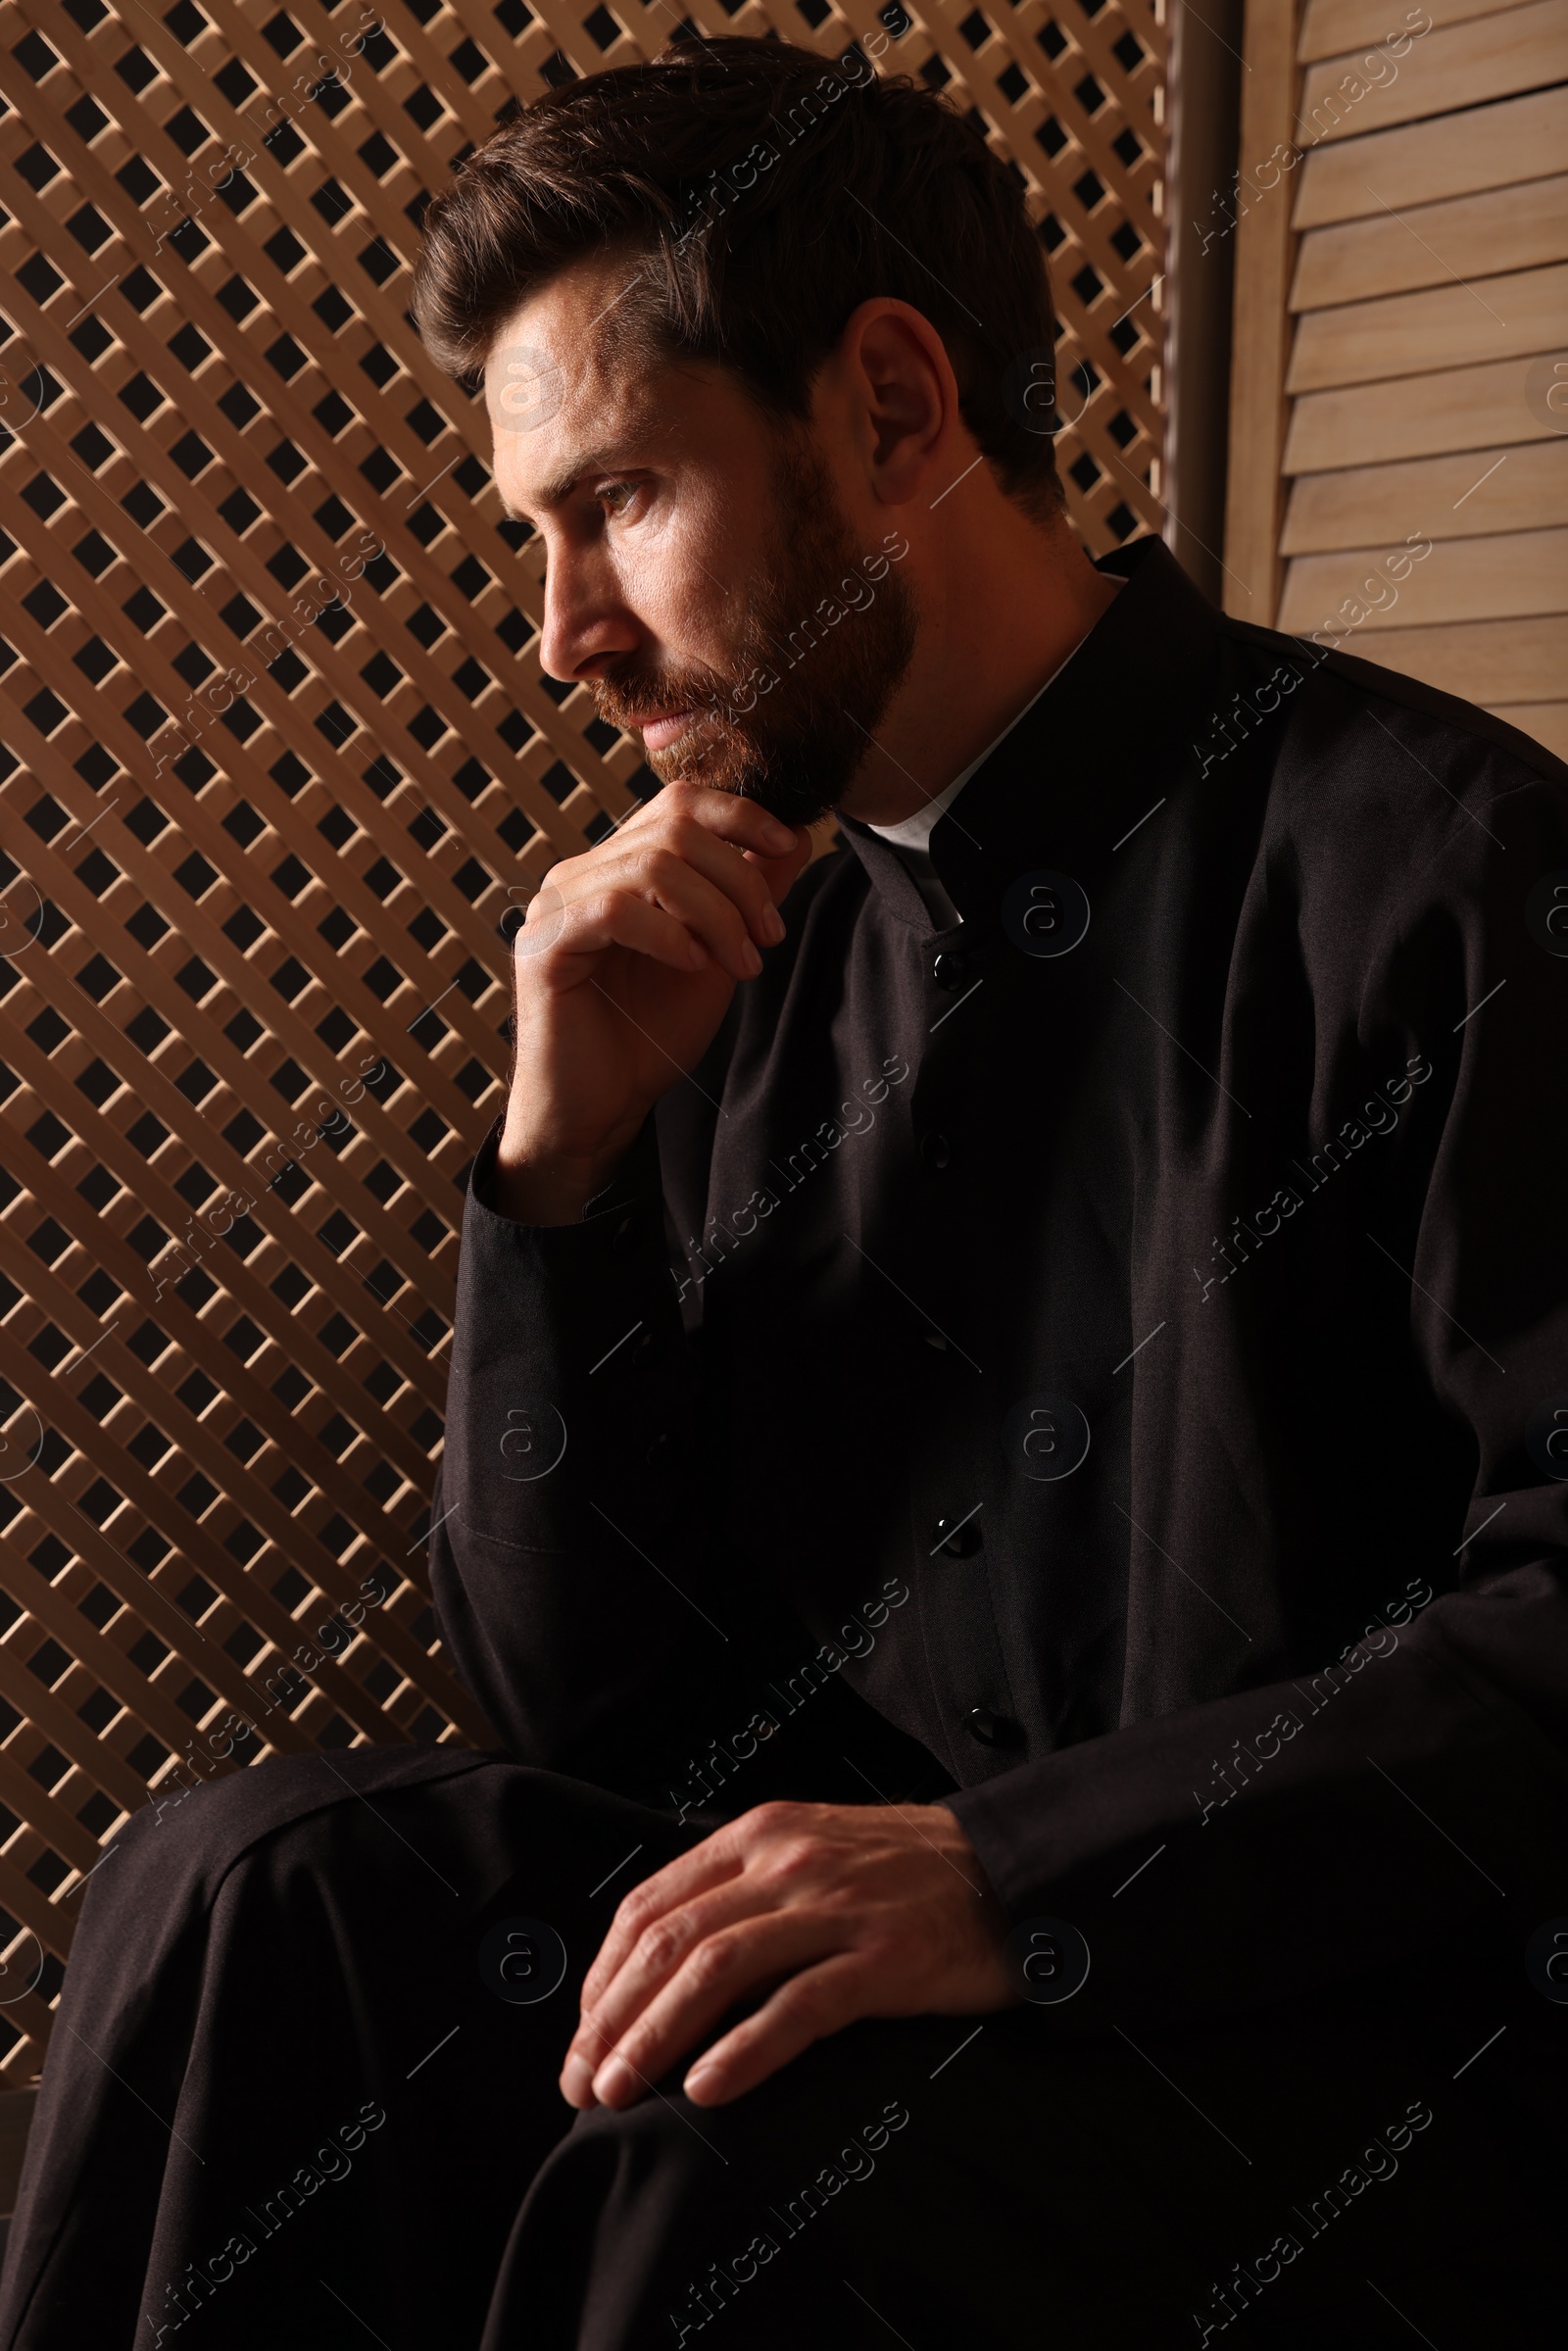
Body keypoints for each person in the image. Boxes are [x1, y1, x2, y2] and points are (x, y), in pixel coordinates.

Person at [4, 32, 1567, 2351]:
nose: (559, 638)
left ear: (895, 411)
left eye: (616, 501)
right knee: (258, 1886)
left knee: (722, 2157)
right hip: (892, 1948)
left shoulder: (1436, 872)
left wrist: (1005, 1880)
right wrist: (560, 1178)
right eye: (535, 534)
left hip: (1339, 2037)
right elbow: (589, 1710)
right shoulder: (755, 948)